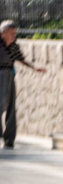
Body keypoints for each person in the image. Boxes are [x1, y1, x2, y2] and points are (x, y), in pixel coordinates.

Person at [0, 20, 46, 149]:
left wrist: (34, 67)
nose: (14, 36)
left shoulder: (13, 45)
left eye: (15, 33)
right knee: (1, 105)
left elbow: (21, 59)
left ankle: (9, 139)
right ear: (3, 33)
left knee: (10, 107)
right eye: (12, 33)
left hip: (9, 75)